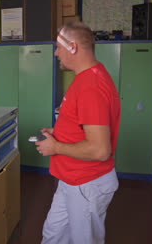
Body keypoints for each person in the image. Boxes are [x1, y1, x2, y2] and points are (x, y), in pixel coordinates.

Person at [36, 22, 120, 244]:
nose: (55, 53)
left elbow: (101, 150)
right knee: (52, 234)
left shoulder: (91, 86)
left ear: (72, 47)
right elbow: (85, 125)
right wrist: (60, 131)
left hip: (86, 183)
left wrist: (55, 147)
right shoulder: (86, 77)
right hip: (71, 179)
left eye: (58, 47)